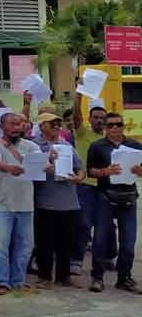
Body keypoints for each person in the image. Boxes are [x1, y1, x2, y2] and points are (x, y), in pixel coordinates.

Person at [86, 111, 142, 293]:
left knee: (128, 241)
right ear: (105, 128)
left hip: (129, 198)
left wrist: (139, 171)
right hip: (105, 197)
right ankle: (97, 277)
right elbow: (90, 171)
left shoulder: (135, 146)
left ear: (123, 125)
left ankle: (124, 277)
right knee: (101, 240)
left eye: (118, 124)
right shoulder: (97, 146)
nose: (115, 128)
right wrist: (105, 172)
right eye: (110, 125)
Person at [0, 113, 39, 294]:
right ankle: (1, 281)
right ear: (2, 126)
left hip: (25, 204)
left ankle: (18, 280)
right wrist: (9, 168)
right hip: (0, 204)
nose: (16, 127)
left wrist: (51, 161)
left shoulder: (31, 146)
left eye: (19, 124)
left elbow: (41, 165)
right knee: (0, 245)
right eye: (12, 124)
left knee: (25, 246)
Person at [33, 112, 84, 288]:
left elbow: (80, 168)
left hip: (69, 201)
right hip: (44, 201)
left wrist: (78, 178)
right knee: (44, 242)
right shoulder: (34, 146)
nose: (56, 126)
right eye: (51, 123)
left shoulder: (66, 145)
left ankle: (64, 276)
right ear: (41, 126)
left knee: (66, 242)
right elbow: (29, 169)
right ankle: (45, 277)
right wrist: (46, 164)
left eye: (58, 123)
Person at [71, 94, 107, 275]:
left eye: (102, 118)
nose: (99, 120)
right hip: (84, 186)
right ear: (90, 119)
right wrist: (79, 93)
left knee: (104, 226)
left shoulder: (110, 141)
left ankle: (105, 259)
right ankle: (76, 259)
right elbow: (76, 115)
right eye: (96, 117)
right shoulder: (82, 132)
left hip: (105, 188)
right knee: (84, 224)